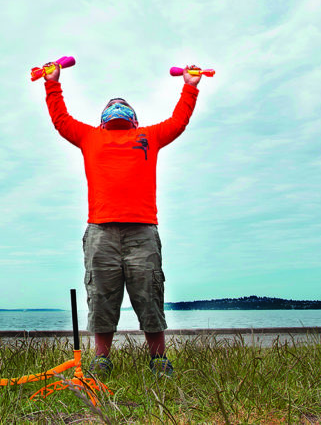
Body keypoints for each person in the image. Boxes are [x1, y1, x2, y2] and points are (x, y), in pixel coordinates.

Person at [41, 63, 204, 377]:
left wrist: (190, 86)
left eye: (124, 105)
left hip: (142, 231)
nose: (117, 107)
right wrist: (52, 83)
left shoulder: (149, 136)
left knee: (150, 293)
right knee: (101, 296)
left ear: (135, 118)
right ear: (102, 118)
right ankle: (102, 359)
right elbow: (61, 121)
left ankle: (159, 360)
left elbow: (179, 121)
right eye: (110, 105)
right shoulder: (89, 136)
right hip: (100, 231)